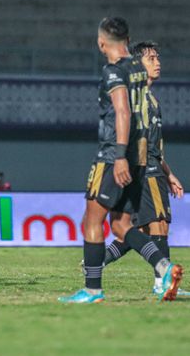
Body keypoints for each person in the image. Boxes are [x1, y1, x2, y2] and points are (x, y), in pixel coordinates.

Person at [59, 18, 182, 304]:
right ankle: (163, 268)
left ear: (102, 43)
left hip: (114, 154)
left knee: (92, 219)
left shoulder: (114, 71)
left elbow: (123, 112)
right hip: (139, 159)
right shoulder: (139, 71)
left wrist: (119, 156)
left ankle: (92, 290)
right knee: (121, 225)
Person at [101, 41, 187, 295]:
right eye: (151, 59)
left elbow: (155, 147)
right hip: (144, 169)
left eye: (158, 58)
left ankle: (97, 262)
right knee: (158, 224)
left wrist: (170, 174)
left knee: (142, 228)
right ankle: (162, 282)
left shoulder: (152, 100)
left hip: (151, 167)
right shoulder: (133, 97)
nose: (157, 62)